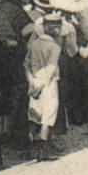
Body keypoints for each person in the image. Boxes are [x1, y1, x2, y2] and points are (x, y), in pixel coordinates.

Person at [23, 11, 64, 161]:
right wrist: (41, 85)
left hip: (34, 81)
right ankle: (43, 150)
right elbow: (51, 68)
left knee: (34, 115)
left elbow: (26, 64)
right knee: (48, 116)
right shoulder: (55, 47)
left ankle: (31, 149)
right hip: (48, 84)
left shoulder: (33, 44)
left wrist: (31, 82)